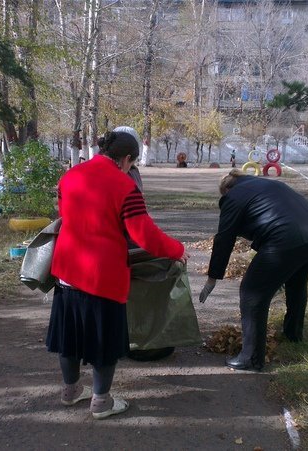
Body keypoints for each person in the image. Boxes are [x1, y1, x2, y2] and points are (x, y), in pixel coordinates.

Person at [48, 130, 189, 419]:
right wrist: (176, 249)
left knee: (70, 334)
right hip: (102, 277)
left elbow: (64, 212)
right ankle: (101, 401)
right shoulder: (125, 187)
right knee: (103, 339)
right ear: (126, 159)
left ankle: (70, 391)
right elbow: (144, 236)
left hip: (67, 271)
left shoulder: (70, 176)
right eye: (131, 163)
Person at [198, 169, 308, 371]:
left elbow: (225, 238)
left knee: (252, 292)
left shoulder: (232, 196)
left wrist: (213, 277)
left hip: (288, 237)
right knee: (296, 283)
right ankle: (293, 334)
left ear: (226, 188)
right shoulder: (270, 185)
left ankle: (251, 358)